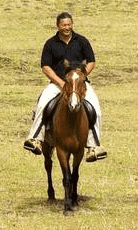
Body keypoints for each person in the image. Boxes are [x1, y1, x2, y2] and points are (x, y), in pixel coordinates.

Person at [23, 12, 107, 162]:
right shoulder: (50, 43)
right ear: (58, 25)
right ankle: (35, 139)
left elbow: (91, 61)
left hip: (80, 84)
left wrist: (80, 78)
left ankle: (94, 146)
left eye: (69, 24)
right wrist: (61, 83)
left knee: (96, 108)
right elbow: (46, 66)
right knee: (43, 104)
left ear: (72, 24)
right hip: (58, 83)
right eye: (64, 25)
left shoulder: (82, 41)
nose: (67, 27)